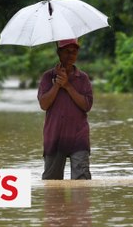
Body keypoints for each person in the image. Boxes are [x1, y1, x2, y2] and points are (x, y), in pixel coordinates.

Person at [37, 38, 93, 180]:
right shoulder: (47, 77)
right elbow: (44, 105)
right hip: (54, 136)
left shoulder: (83, 78)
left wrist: (67, 85)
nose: (70, 56)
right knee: (52, 186)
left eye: (74, 52)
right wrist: (56, 85)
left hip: (78, 137)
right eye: (66, 52)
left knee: (82, 185)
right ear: (58, 53)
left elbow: (86, 106)